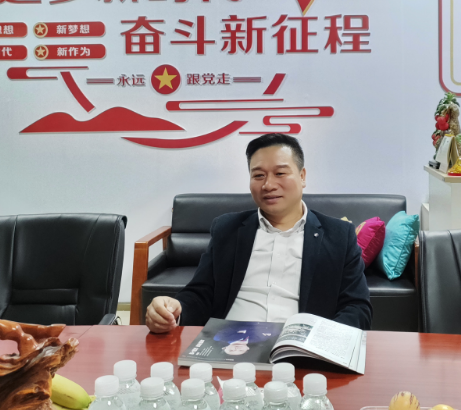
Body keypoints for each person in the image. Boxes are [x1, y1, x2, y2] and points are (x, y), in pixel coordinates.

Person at [146, 133, 372, 333]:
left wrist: (321, 340)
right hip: (229, 344)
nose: (268, 185)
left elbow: (356, 307)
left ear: (302, 176)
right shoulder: (228, 229)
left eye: (280, 173)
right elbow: (201, 293)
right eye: (258, 175)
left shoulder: (339, 235)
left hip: (301, 349)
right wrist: (174, 310)